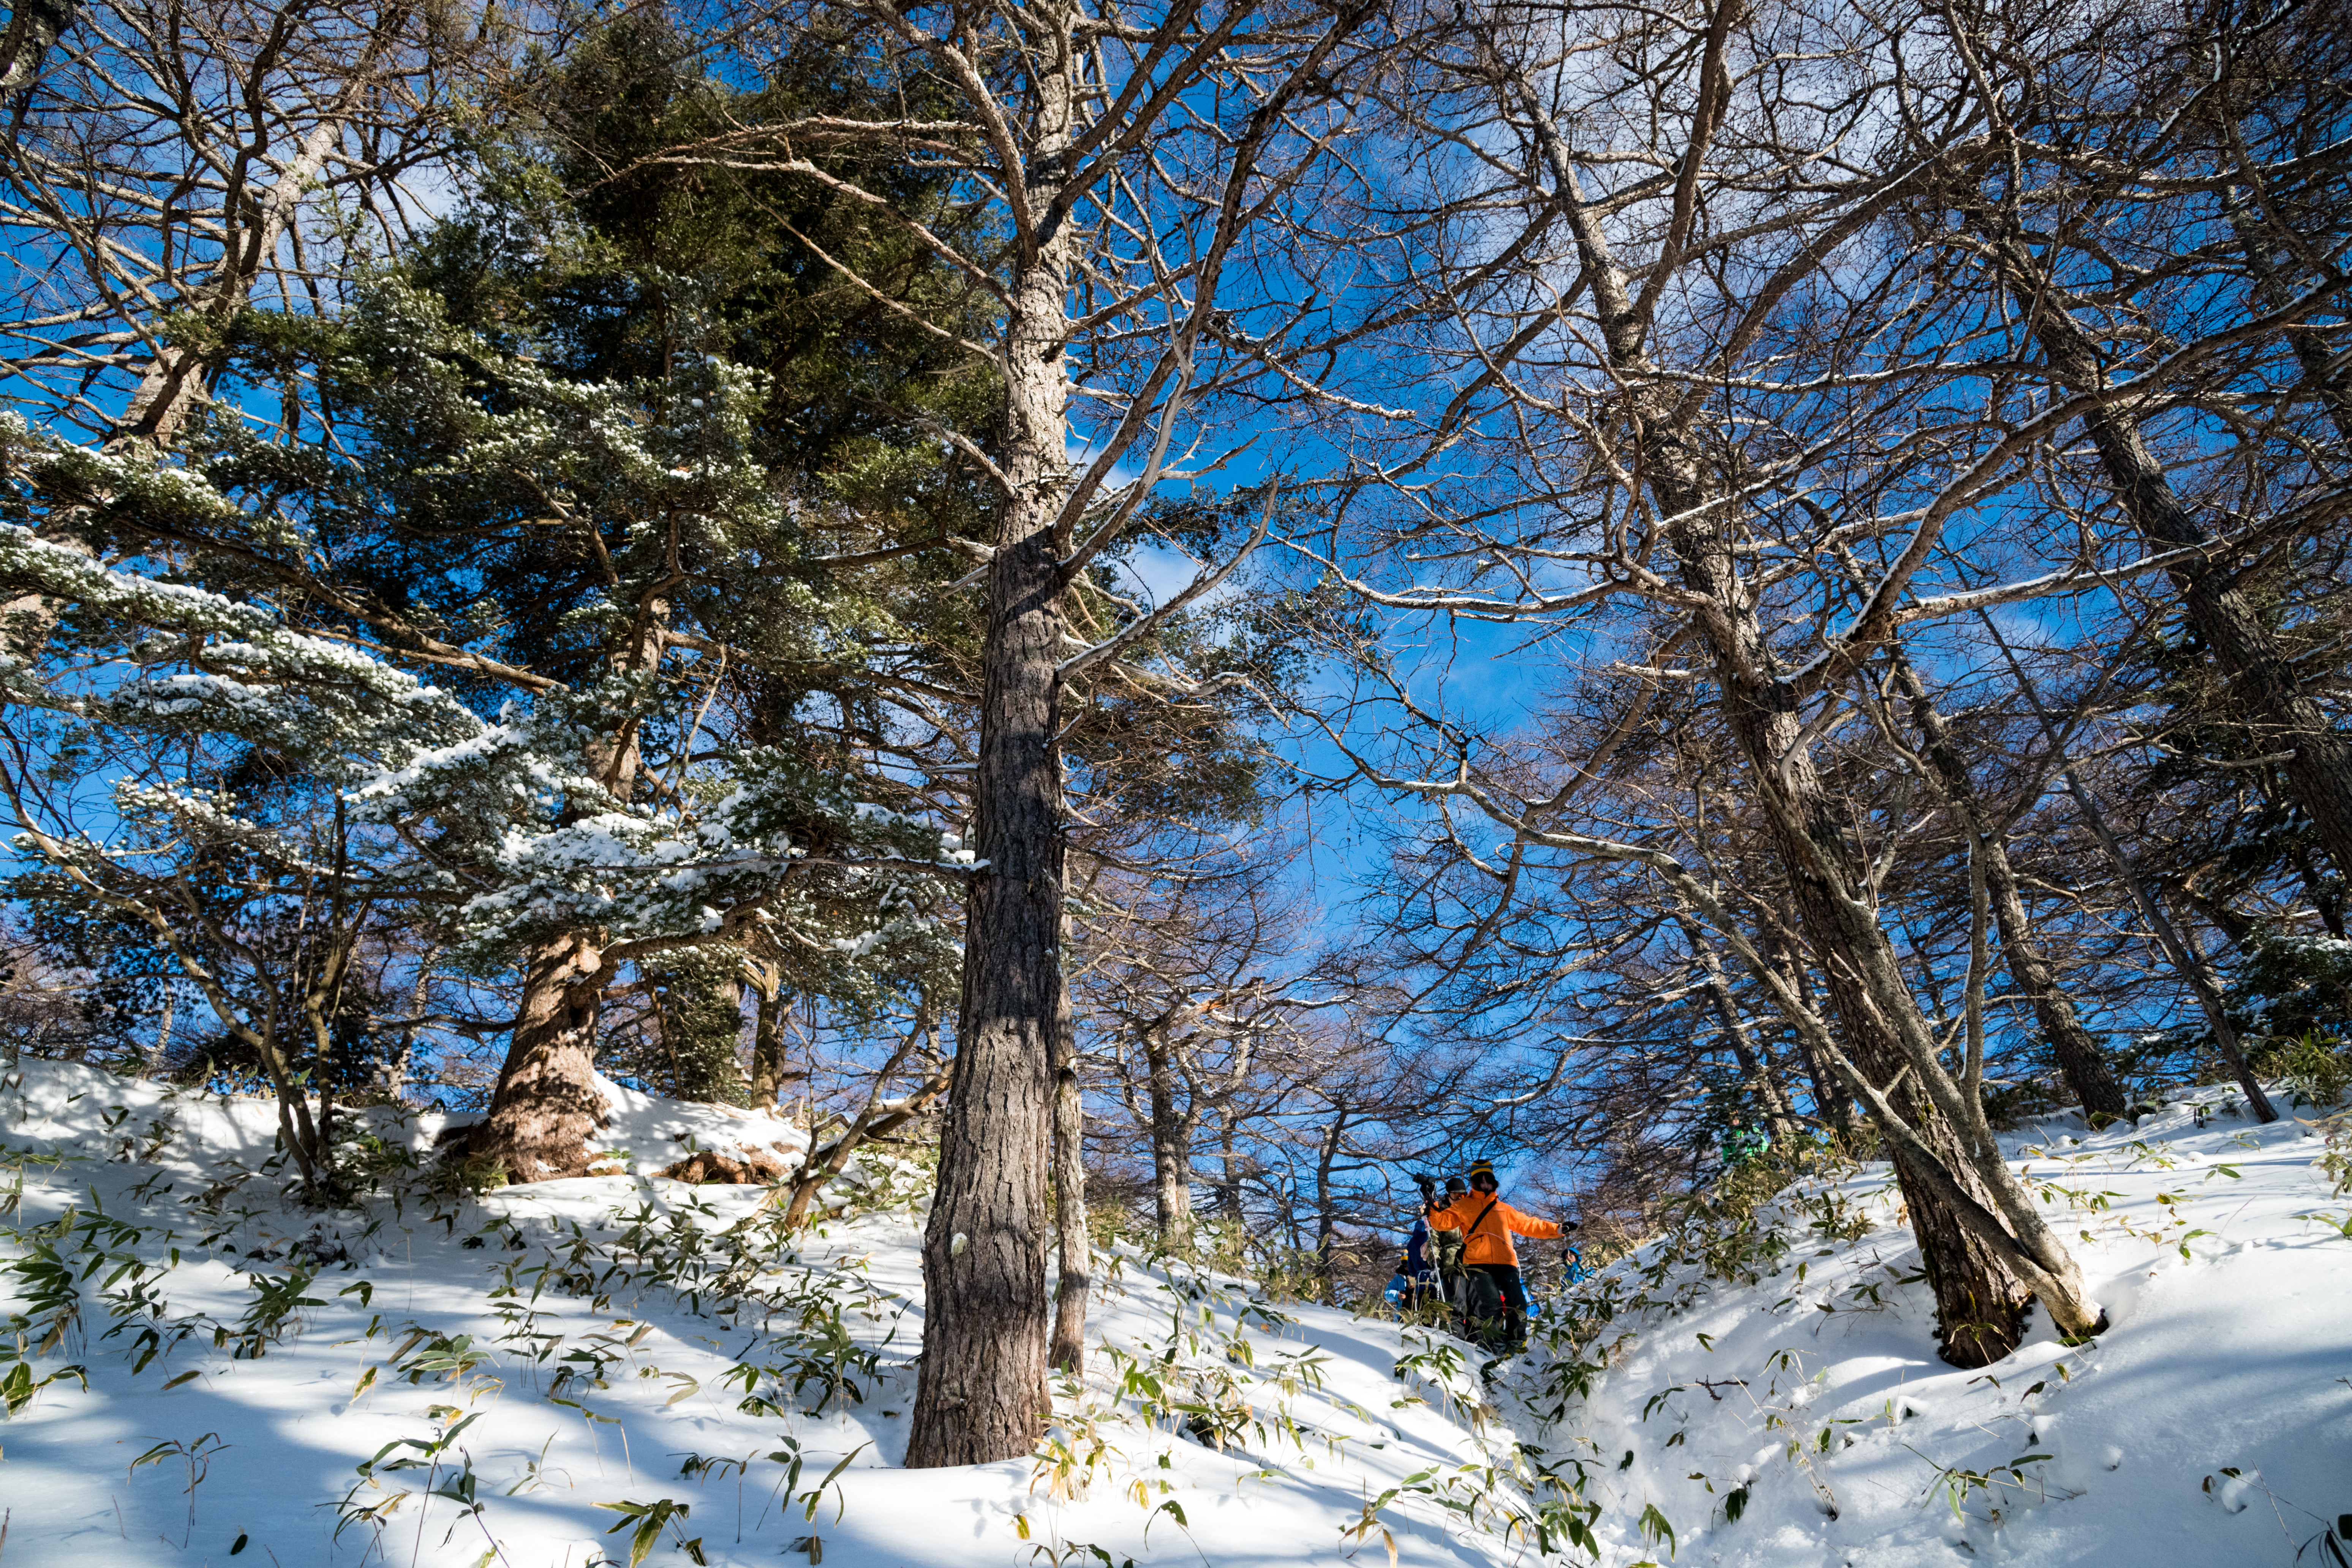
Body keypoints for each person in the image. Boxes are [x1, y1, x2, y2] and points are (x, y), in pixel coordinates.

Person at [1423, 1157, 1575, 1353]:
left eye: (1488, 1180)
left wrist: (1558, 1229)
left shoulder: (1502, 1208)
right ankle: (1494, 1344)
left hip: (1506, 1262)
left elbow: (1529, 1225)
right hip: (1478, 1264)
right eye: (1481, 1180)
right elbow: (1442, 1222)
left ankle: (1515, 1342)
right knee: (1491, 1305)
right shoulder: (1464, 1206)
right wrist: (1431, 1206)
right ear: (1474, 1183)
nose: (1485, 1184)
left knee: (1518, 1303)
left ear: (1493, 1182)